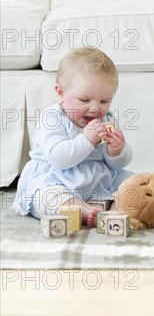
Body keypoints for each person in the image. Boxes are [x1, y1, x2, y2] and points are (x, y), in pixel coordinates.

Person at [12, 47, 133, 227]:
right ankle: (83, 210)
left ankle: (115, 208)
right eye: (85, 100)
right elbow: (60, 158)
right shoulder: (52, 118)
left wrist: (116, 152)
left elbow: (118, 164)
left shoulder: (107, 119)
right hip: (57, 178)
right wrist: (87, 140)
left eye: (104, 101)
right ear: (60, 93)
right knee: (47, 197)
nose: (95, 108)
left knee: (132, 184)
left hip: (97, 179)